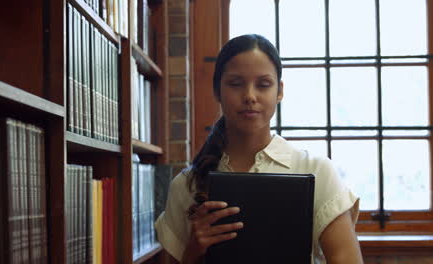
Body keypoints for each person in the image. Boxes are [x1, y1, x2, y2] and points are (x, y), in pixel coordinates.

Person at [155, 34, 362, 264]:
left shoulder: (316, 171)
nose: (250, 96)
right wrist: (193, 250)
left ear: (279, 91)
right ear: (217, 90)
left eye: (263, 85)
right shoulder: (186, 185)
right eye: (235, 84)